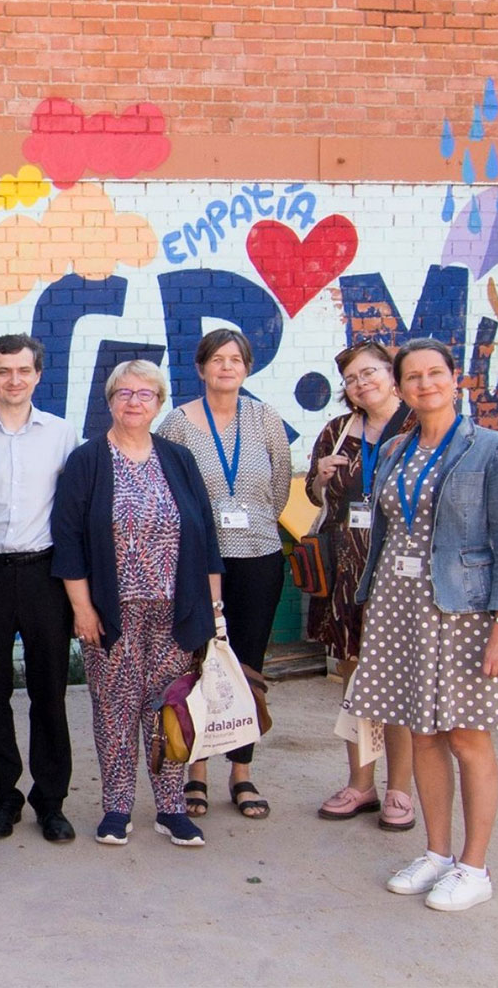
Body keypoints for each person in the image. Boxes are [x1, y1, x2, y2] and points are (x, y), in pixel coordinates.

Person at [349, 338, 498, 912]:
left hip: (464, 613)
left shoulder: (490, 449)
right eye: (413, 377)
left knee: (467, 738)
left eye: (435, 374)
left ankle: (475, 867)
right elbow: (387, 533)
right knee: (421, 734)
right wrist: (370, 601)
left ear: (456, 380)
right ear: (399, 389)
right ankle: (439, 853)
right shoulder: (399, 448)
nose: (425, 384)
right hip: (401, 609)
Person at [53, 359, 224, 850]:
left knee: (169, 707)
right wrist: (83, 610)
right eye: (123, 393)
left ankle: (171, 808)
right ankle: (117, 807)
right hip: (112, 610)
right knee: (114, 708)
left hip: (178, 610)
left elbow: (206, 536)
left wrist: (214, 609)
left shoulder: (179, 459)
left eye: (145, 393)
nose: (133, 401)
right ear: (109, 402)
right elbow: (68, 543)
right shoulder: (87, 461)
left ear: (158, 403)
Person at [157, 329, 290, 821]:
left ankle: (242, 770)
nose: (226, 367)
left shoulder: (265, 419)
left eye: (236, 359)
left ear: (247, 368)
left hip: (259, 556)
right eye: (217, 359)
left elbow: (278, 488)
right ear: (201, 368)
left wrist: (250, 523)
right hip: (197, 562)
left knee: (248, 664)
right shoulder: (178, 423)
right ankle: (197, 770)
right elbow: (170, 491)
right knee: (200, 660)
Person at [0, 335, 79, 844]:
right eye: (3, 371)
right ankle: (3, 799)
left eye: (23, 371)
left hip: (43, 573)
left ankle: (51, 802)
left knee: (49, 692)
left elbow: (72, 514)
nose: (13, 380)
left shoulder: (61, 434)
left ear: (36, 375)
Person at [305, 341, 417, 830]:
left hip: (402, 576)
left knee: (400, 687)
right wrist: (321, 478)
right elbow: (313, 491)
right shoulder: (338, 431)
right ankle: (361, 785)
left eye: (369, 372)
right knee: (356, 683)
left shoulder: (419, 425)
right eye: (351, 379)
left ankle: (401, 791)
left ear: (392, 374)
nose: (361, 383)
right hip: (347, 578)